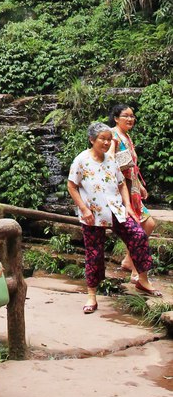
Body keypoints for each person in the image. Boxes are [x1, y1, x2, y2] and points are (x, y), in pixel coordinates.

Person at [67, 121, 161, 313]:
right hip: (93, 214)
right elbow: (72, 186)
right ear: (92, 139)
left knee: (138, 236)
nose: (107, 142)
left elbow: (121, 184)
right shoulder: (81, 160)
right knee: (94, 254)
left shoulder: (111, 161)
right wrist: (84, 209)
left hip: (117, 210)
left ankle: (142, 280)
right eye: (103, 139)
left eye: (109, 139)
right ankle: (91, 297)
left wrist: (127, 205)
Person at [107, 103, 156, 280]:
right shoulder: (112, 135)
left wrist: (140, 186)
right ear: (116, 118)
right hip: (122, 188)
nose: (130, 119)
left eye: (132, 116)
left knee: (147, 224)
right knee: (139, 227)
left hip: (132, 187)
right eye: (126, 116)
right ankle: (136, 267)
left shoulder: (125, 136)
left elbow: (132, 166)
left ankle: (129, 260)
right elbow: (109, 160)